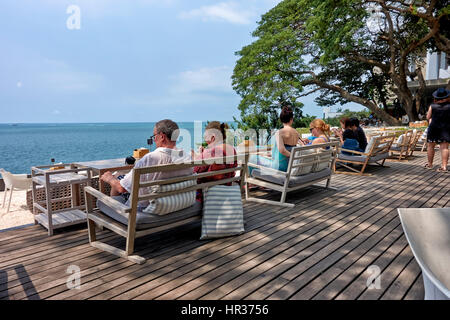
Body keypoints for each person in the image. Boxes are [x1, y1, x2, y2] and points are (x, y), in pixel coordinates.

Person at [100, 119, 192, 208]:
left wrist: (109, 179)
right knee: (122, 180)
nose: (154, 140)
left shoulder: (150, 158)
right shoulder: (186, 156)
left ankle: (117, 220)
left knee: (112, 187)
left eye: (154, 136)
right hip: (176, 205)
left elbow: (121, 188)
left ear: (162, 137)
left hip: (144, 209)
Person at [249, 106, 304, 173]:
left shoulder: (279, 132)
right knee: (259, 156)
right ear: (291, 119)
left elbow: (282, 150)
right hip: (290, 166)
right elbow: (287, 150)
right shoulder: (296, 132)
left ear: (281, 119)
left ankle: (252, 181)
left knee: (252, 158)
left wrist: (293, 156)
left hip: (279, 167)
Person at [192, 121, 237, 202]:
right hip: (227, 188)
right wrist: (202, 154)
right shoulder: (231, 149)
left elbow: (195, 171)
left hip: (210, 193)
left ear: (213, 137)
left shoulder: (211, 151)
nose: (205, 140)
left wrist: (195, 157)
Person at [425, 88, 450, 172]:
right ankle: (444, 167)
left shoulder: (432, 106)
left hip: (433, 128)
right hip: (446, 128)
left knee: (430, 146)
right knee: (444, 147)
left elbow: (428, 117)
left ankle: (430, 164)